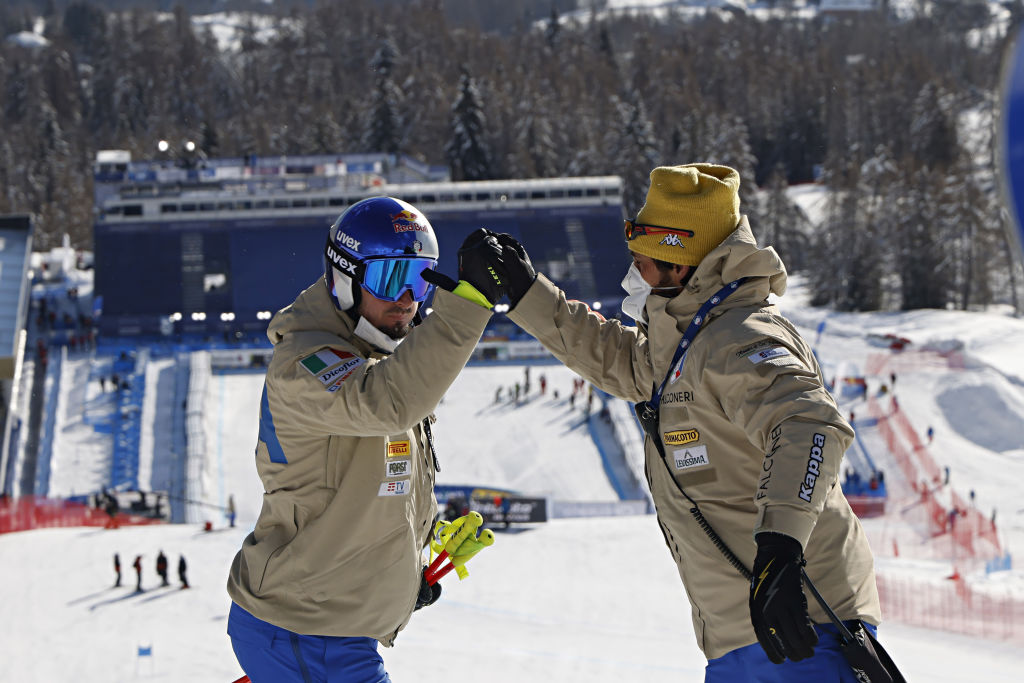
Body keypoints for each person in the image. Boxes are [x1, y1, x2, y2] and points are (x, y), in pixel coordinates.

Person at [486, 164, 889, 682]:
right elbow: (613, 357)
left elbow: (808, 422)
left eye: (642, 261)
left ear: (679, 262)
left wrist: (781, 547)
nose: (634, 275)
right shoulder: (683, 341)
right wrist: (526, 292)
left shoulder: (737, 338)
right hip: (740, 638)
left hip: (804, 627)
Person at [225, 197, 503, 682]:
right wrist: (468, 307)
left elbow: (360, 490)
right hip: (302, 627)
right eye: (391, 278)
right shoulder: (304, 364)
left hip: (333, 624)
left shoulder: (376, 356)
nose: (407, 299)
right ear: (343, 277)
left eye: (421, 280)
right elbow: (386, 404)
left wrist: (408, 566)